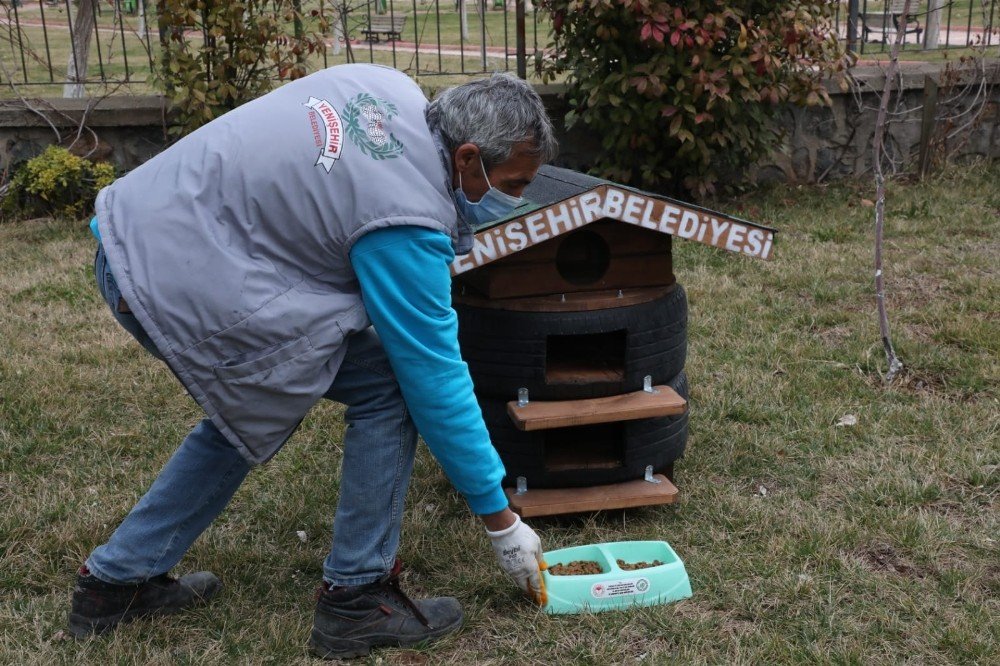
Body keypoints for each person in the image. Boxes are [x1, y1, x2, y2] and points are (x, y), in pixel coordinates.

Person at [69, 64, 558, 659]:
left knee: (270, 393)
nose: (514, 200)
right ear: (468, 158)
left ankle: (115, 582)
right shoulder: (404, 217)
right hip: (170, 276)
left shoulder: (387, 90)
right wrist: (500, 520)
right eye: (513, 183)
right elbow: (433, 374)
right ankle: (357, 598)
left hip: (146, 233)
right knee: (391, 387)